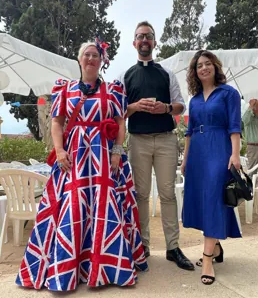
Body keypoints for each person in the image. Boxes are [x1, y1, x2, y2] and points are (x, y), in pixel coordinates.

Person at [16, 38, 148, 292]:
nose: (90, 59)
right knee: (72, 208)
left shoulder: (114, 90)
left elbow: (120, 123)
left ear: (101, 61)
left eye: (95, 55)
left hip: (103, 156)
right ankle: (67, 269)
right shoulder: (65, 89)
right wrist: (59, 150)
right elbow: (57, 123)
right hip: (74, 157)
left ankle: (105, 268)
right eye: (86, 54)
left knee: (103, 208)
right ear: (79, 59)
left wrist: (117, 152)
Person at [119, 21, 194, 271]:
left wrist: (166, 108)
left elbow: (181, 105)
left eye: (148, 36)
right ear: (134, 43)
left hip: (165, 139)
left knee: (168, 194)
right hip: (138, 140)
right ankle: (142, 246)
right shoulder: (125, 76)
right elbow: (117, 111)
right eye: (140, 36)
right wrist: (135, 107)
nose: (144, 40)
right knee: (140, 194)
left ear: (154, 42)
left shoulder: (166, 73)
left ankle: (173, 247)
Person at [181, 50, 242, 285]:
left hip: (219, 149)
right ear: (194, 72)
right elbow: (188, 132)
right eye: (199, 66)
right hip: (197, 152)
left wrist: (235, 154)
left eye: (208, 64)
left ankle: (207, 259)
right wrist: (186, 159)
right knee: (202, 200)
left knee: (215, 198)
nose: (203, 68)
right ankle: (215, 247)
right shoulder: (194, 100)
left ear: (215, 67)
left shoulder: (229, 93)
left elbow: (234, 126)